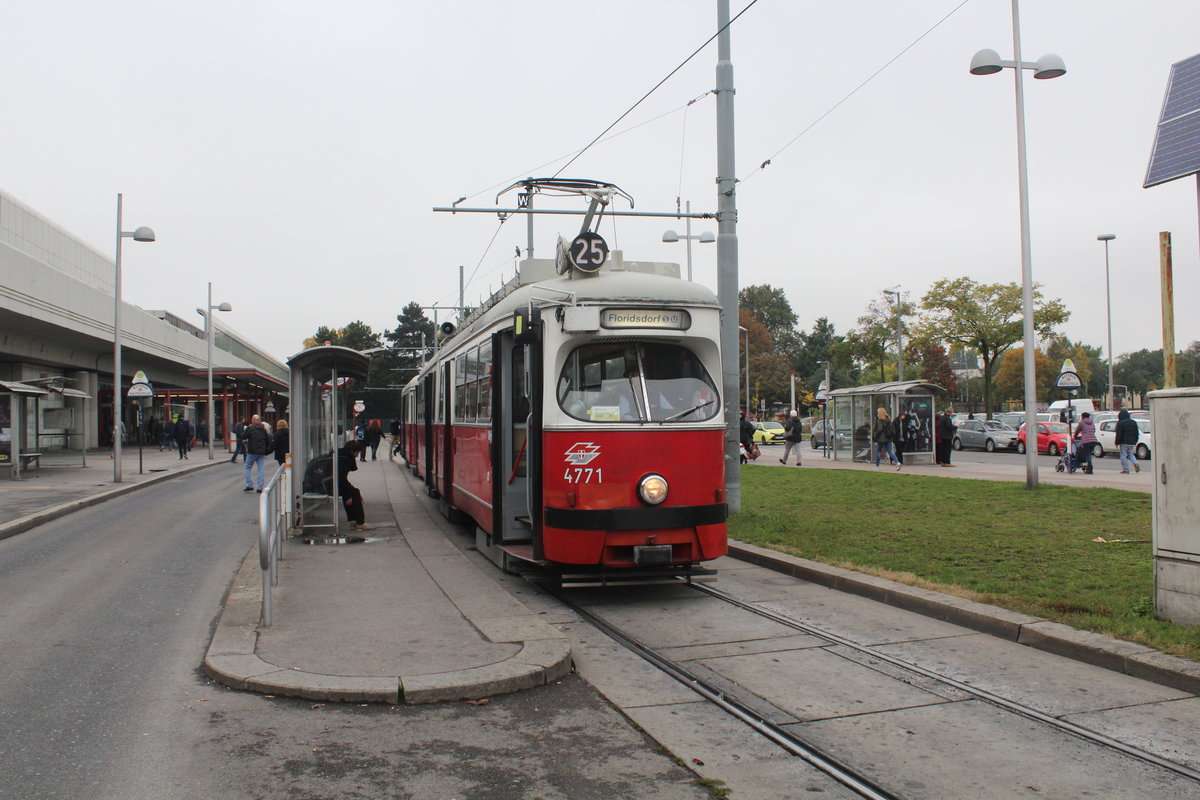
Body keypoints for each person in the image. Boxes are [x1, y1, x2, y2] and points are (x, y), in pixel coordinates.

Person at [337, 440, 374, 531]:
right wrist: (351, 493)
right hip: (329, 485)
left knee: (350, 492)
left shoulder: (340, 455)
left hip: (325, 483)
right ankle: (360, 523)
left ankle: (353, 521)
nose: (357, 455)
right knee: (355, 493)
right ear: (352, 451)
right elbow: (341, 480)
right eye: (357, 452)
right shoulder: (345, 459)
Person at [241, 413, 274, 493]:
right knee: (261, 469)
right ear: (259, 421)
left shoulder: (251, 428)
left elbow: (243, 436)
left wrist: (247, 429)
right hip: (261, 452)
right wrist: (266, 450)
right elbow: (268, 439)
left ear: (253, 420)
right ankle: (260, 487)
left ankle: (249, 485)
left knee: (248, 467)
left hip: (252, 451)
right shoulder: (263, 428)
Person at [1114, 408, 1141, 474]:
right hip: (1132, 442)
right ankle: (1135, 463)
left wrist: (1117, 442)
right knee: (1131, 454)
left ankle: (1126, 469)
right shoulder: (1133, 422)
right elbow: (1136, 432)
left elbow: (1119, 434)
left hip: (1123, 442)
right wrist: (1135, 441)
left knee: (1123, 455)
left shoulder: (1120, 423)